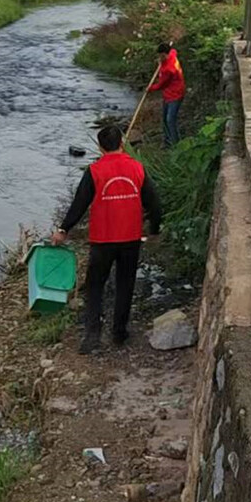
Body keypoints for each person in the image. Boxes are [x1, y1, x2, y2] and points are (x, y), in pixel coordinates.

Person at [51, 125, 162, 354]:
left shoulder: (94, 171)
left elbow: (79, 204)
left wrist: (63, 229)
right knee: (125, 284)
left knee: (95, 286)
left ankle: (92, 336)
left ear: (100, 147)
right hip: (130, 238)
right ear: (121, 143)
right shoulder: (138, 168)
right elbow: (154, 202)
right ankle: (119, 333)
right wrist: (154, 229)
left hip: (102, 240)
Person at [150, 42, 186, 146]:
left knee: (170, 120)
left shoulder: (169, 69)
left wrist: (150, 89)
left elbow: (161, 85)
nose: (160, 58)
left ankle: (175, 144)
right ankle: (166, 141)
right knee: (165, 119)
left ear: (166, 54)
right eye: (159, 56)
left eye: (162, 56)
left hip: (175, 95)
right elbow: (174, 50)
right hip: (168, 94)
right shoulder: (172, 54)